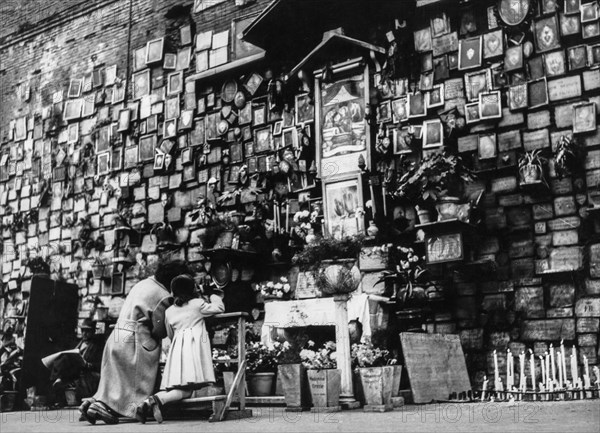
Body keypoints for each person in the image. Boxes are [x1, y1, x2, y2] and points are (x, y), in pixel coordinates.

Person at [80, 260, 191, 425]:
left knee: (116, 377)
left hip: (120, 332)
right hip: (138, 338)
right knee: (133, 383)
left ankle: (92, 402)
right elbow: (159, 330)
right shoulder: (163, 295)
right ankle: (101, 407)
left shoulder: (143, 283)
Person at [135, 274, 224, 424]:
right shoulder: (197, 304)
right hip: (193, 349)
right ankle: (155, 400)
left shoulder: (169, 311)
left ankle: (149, 402)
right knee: (188, 389)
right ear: (192, 290)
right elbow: (219, 308)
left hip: (177, 350)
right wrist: (215, 295)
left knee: (181, 387)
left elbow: (170, 334)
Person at [48, 319, 104, 406]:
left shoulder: (98, 346)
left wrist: (88, 365)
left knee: (66, 361)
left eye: (87, 331)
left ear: (93, 331)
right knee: (62, 358)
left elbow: (102, 364)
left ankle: (59, 379)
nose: (84, 334)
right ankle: (58, 380)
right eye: (83, 331)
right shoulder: (77, 344)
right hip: (75, 370)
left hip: (87, 371)